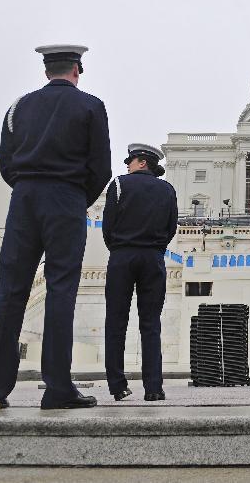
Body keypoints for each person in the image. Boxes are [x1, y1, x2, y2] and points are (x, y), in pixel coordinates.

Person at [0, 45, 111, 410]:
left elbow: (6, 163)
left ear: (46, 70)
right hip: (66, 199)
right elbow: (101, 168)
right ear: (77, 70)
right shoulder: (91, 106)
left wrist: (27, 185)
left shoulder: (18, 108)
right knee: (61, 290)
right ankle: (57, 387)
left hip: (23, 199)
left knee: (10, 290)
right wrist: (75, 198)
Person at [103, 144, 178, 402]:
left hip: (122, 256)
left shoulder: (120, 184)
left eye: (131, 160)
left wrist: (119, 246)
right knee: (150, 324)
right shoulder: (167, 190)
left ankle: (117, 385)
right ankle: (154, 388)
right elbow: (171, 227)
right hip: (153, 258)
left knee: (116, 322)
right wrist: (155, 247)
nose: (128, 165)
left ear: (143, 162)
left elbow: (108, 224)